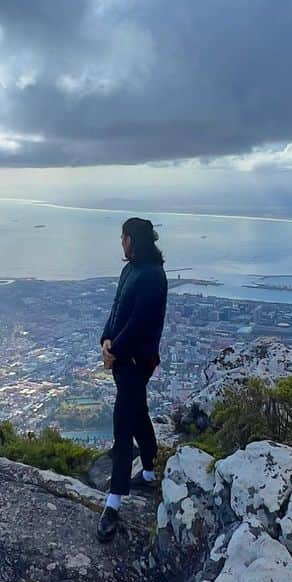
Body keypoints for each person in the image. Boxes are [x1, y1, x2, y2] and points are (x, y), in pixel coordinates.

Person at [96, 216, 168, 543]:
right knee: (137, 411)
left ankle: (113, 502)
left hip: (137, 361)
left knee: (122, 425)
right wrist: (105, 340)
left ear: (132, 239)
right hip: (122, 357)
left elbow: (140, 323)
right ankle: (150, 471)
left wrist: (116, 350)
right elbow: (116, 310)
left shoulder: (153, 275)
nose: (120, 242)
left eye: (123, 237)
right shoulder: (131, 270)